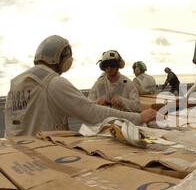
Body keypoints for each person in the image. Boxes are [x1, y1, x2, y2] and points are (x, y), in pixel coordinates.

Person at [4, 35, 157, 137]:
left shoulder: (16, 82)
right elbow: (91, 112)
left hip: (17, 157)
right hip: (45, 155)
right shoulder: (54, 83)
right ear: (63, 60)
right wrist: (139, 117)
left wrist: (122, 102)